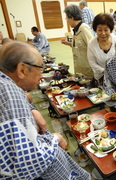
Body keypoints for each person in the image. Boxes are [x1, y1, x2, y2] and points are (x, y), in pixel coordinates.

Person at [0, 41, 90, 179]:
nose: (42, 75)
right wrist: (57, 138)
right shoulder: (9, 94)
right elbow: (32, 159)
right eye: (39, 69)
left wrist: (32, 109)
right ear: (22, 70)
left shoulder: (6, 84)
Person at [61, 4, 94, 78]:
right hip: (80, 69)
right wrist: (68, 43)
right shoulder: (76, 29)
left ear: (71, 18)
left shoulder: (84, 29)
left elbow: (93, 47)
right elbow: (79, 45)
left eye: (67, 18)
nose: (67, 21)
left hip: (87, 70)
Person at [87, 13, 116, 85]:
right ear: (95, 30)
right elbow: (92, 62)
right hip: (100, 77)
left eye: (106, 30)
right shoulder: (91, 43)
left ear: (110, 30)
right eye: (100, 30)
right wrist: (104, 71)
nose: (103, 33)